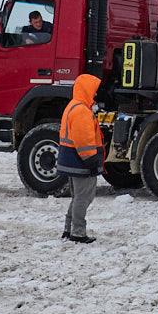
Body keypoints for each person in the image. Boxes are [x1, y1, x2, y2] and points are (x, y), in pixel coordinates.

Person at [56, 73, 103, 243]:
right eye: (93, 90)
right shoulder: (82, 110)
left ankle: (69, 229)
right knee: (83, 198)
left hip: (72, 160)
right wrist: (90, 159)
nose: (95, 93)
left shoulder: (74, 106)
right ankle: (78, 232)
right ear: (86, 89)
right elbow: (83, 139)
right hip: (80, 162)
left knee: (77, 197)